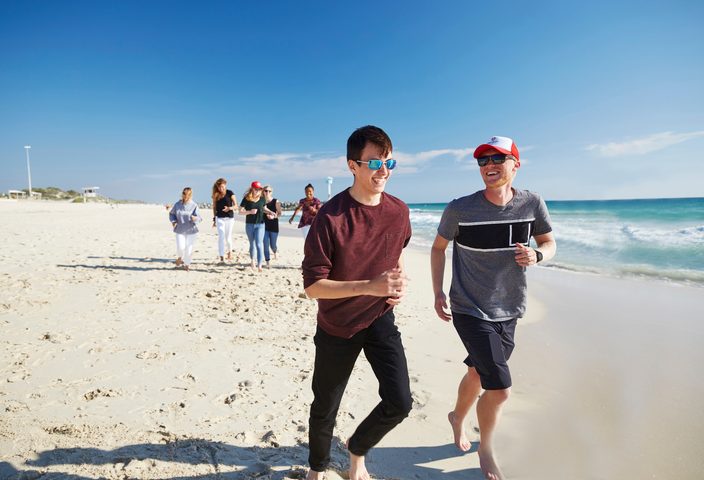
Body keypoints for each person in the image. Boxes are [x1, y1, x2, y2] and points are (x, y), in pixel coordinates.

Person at [430, 136, 556, 480]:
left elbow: (548, 242)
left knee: (477, 371)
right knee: (499, 389)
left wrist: (538, 255)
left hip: (511, 308)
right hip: (469, 307)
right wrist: (438, 292)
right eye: (483, 161)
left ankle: (457, 416)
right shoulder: (460, 209)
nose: (489, 166)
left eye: (498, 159)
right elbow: (438, 248)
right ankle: (485, 449)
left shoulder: (532, 203)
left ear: (516, 164)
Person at [302, 125, 412, 480]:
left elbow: (396, 256)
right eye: (375, 162)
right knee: (325, 408)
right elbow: (314, 287)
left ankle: (356, 448)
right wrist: (370, 285)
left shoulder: (399, 211)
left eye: (389, 162)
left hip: (380, 319)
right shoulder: (330, 217)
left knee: (400, 402)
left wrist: (396, 284)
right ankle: (317, 468)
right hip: (337, 326)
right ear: (352, 166)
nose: (384, 171)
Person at [168, 187, 203, 271]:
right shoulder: (177, 204)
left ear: (191, 195)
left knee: (189, 248)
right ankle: (180, 257)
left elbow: (200, 218)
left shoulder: (194, 205)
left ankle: (187, 265)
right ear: (182, 194)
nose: (186, 196)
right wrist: (173, 221)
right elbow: (171, 214)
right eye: (184, 193)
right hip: (180, 229)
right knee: (181, 247)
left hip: (191, 230)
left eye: (188, 194)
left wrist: (195, 218)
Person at [239, 181, 269, 272]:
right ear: (252, 188)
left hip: (260, 224)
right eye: (256, 189)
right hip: (249, 224)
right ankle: (252, 260)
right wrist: (249, 212)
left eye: (259, 189)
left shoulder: (262, 199)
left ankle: (260, 265)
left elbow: (264, 208)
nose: (258, 190)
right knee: (252, 243)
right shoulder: (246, 198)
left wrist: (271, 213)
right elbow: (240, 211)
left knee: (259, 244)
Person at [211, 178, 238, 262]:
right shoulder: (216, 194)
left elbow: (236, 206)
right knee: (221, 236)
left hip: (229, 218)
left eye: (222, 186)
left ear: (225, 185)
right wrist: (214, 219)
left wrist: (229, 208)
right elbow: (214, 207)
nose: (221, 189)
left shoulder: (230, 193)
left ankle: (230, 252)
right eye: (219, 187)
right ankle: (221, 256)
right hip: (219, 218)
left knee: (228, 237)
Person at [262, 185, 282, 267]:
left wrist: (274, 216)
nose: (267, 192)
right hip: (263, 225)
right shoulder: (261, 201)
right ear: (263, 191)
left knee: (273, 244)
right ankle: (267, 261)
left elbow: (280, 213)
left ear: (271, 192)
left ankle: (275, 251)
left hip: (274, 226)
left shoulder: (275, 201)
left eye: (269, 191)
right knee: (265, 243)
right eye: (266, 191)